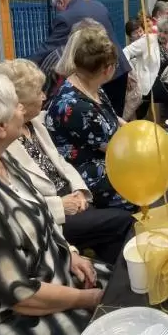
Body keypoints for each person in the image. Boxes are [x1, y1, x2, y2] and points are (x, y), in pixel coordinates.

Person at [0, 71, 109, 335]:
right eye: (16, 106)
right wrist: (87, 298)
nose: (23, 109)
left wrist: (71, 253)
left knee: (127, 290)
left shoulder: (3, 160)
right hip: (19, 312)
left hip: (55, 274)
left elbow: (44, 219)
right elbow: (19, 295)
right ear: (0, 127)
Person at [0, 59, 133, 265]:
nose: (44, 96)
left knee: (111, 237)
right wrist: (61, 206)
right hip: (52, 216)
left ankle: (119, 276)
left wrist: (80, 191)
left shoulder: (36, 123)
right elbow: (17, 201)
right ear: (20, 102)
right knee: (123, 220)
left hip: (74, 198)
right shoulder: (2, 144)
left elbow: (61, 163)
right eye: (39, 92)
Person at [46, 26, 132, 210]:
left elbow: (110, 116)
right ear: (108, 69)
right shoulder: (78, 107)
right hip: (88, 179)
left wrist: (129, 126)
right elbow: (117, 149)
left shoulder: (88, 84)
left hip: (107, 158)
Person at [30, 0, 130, 117]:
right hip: (118, 67)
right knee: (113, 117)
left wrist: (27, 65)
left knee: (99, 118)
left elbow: (49, 47)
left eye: (56, 7)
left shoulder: (65, 18)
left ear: (60, 2)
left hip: (96, 73)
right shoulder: (98, 5)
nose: (57, 11)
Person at [123, 16, 168, 120]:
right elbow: (125, 52)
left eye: (166, 32)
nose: (161, 34)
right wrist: (129, 72)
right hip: (151, 83)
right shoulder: (147, 40)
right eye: (160, 31)